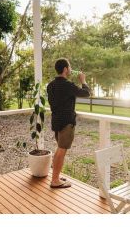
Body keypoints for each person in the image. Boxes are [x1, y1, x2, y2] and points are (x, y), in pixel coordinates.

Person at [47, 58, 91, 188]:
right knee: (61, 151)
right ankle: (55, 181)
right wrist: (83, 81)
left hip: (56, 121)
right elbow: (86, 93)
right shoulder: (68, 85)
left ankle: (56, 175)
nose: (71, 69)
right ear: (65, 69)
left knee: (59, 150)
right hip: (66, 123)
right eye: (70, 67)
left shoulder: (51, 85)